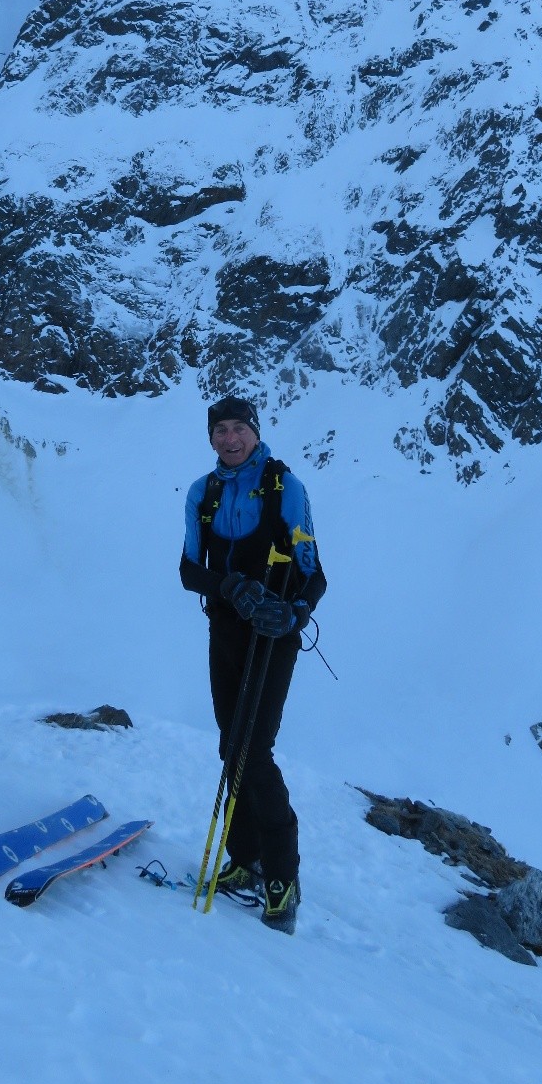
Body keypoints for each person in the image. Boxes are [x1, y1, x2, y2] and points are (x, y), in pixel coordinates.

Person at [179, 395, 326, 934]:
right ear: (211, 438)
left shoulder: (285, 487)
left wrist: (294, 613)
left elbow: (315, 574)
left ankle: (282, 874)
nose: (230, 439)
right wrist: (232, 586)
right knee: (229, 742)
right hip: (228, 627)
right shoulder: (205, 492)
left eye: (239, 428)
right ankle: (246, 857)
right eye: (220, 430)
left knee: (253, 747)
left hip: (273, 634)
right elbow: (189, 570)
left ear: (255, 433)